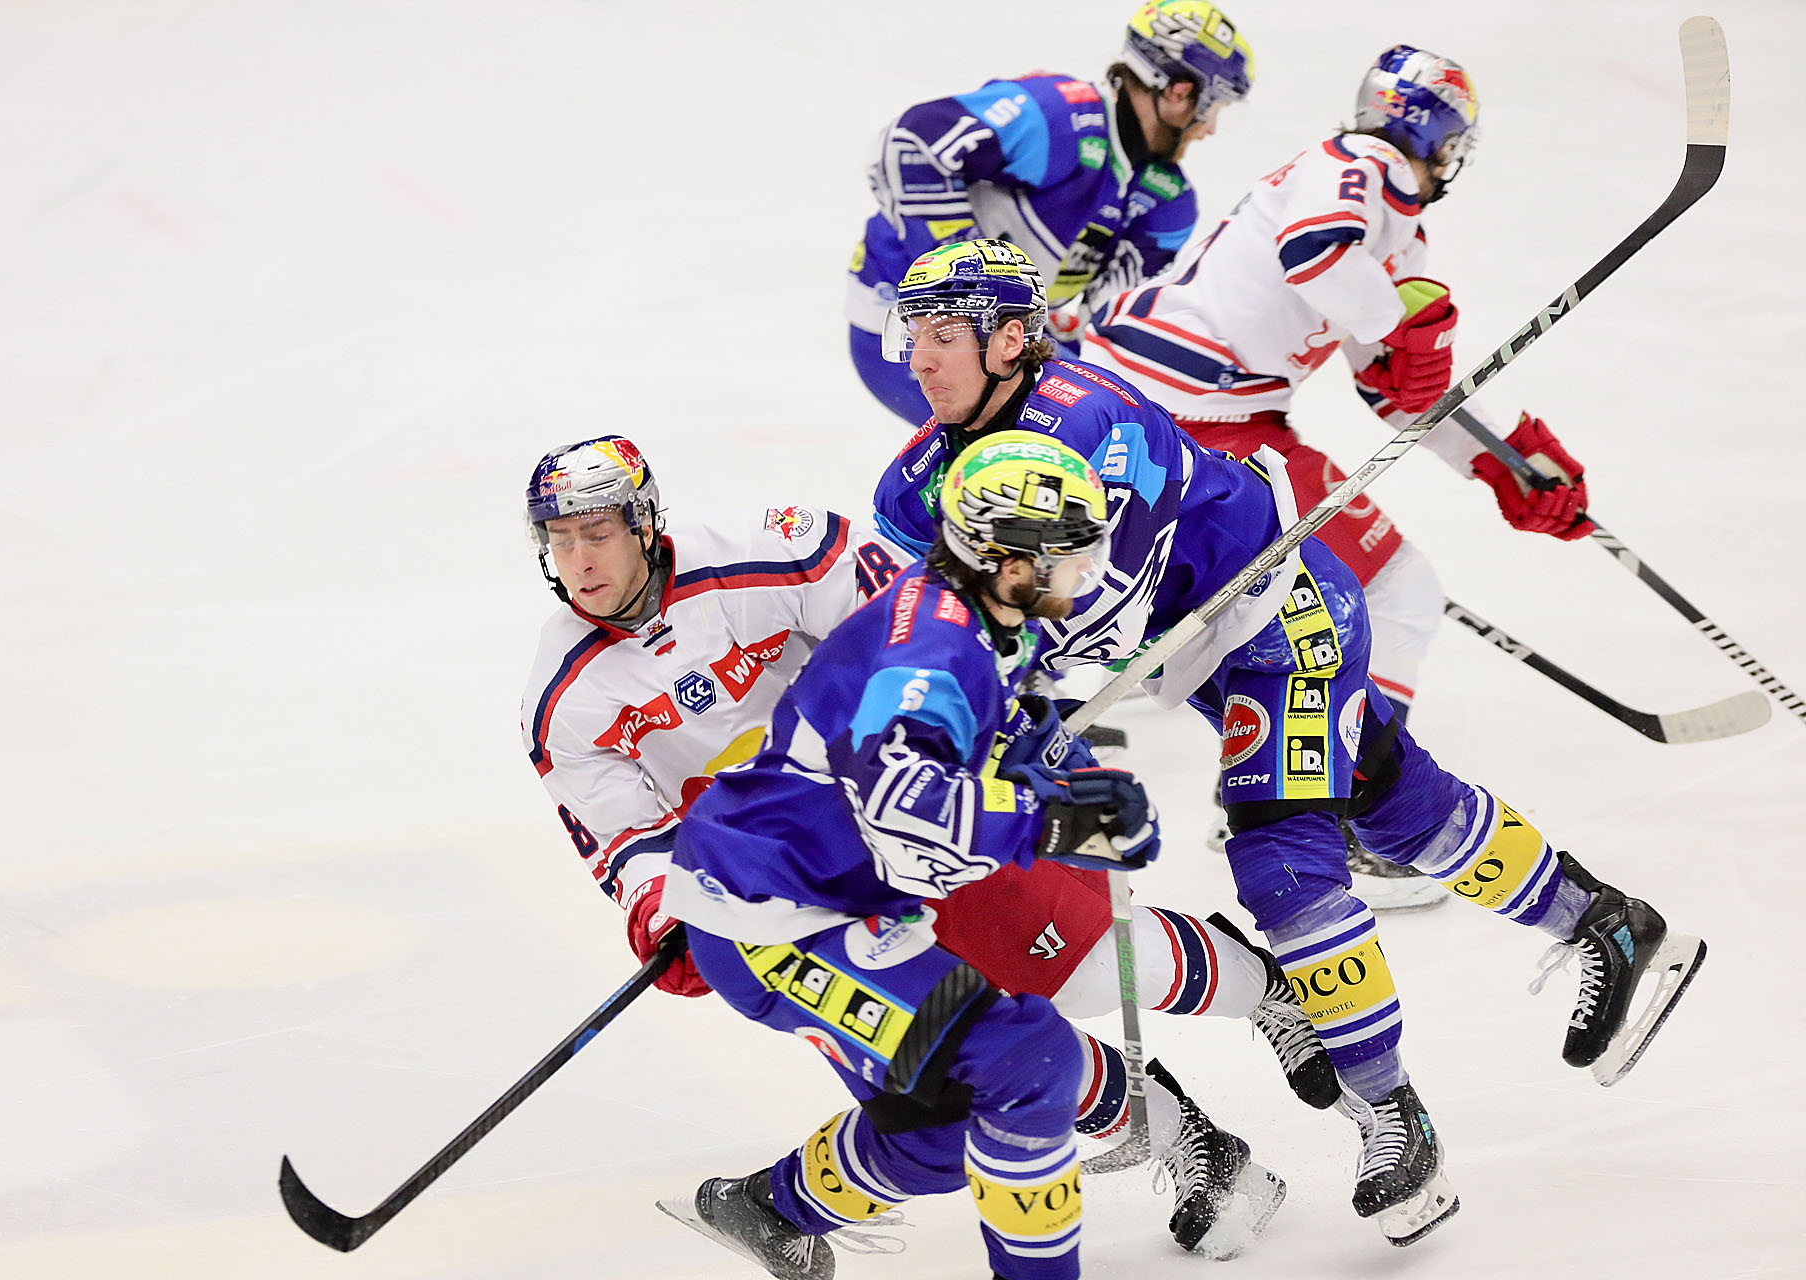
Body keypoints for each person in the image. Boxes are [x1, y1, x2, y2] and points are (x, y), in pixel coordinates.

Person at [870, 237, 1706, 1246]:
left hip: (1272, 611)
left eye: (945, 333)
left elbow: (1100, 612)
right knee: (1394, 799)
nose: (920, 356)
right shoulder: (913, 481)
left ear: (1011, 338)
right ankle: (1606, 922)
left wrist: (1018, 706)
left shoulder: (1087, 419)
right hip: (1197, 656)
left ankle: (1392, 1116)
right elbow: (935, 614)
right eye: (914, 332)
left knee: (1281, 856)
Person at [520, 433, 1311, 1260]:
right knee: (971, 1073)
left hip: (909, 818)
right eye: (560, 538)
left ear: (644, 524)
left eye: (597, 532)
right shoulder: (562, 697)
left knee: (1074, 975)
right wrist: (663, 907)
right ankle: (1190, 1141)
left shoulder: (773, 550)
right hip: (811, 883)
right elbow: (627, 835)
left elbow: (909, 630)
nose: (580, 559)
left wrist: (998, 727)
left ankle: (1262, 995)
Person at [1080, 45, 1594, 905]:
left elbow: (1401, 395)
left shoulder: (1395, 229)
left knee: (1291, 612)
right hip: (1190, 418)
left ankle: (1280, 792)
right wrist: (1399, 324)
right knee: (1391, 591)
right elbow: (1315, 257)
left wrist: (1507, 461)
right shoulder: (1358, 165)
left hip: (1183, 410)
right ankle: (1349, 818)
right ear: (1437, 138)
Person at [848, 0, 1252, 424]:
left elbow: (1111, 327)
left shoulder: (1168, 201)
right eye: (1214, 104)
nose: (1210, 128)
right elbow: (911, 146)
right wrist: (967, 280)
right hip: (900, 326)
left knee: (1118, 422)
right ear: (1178, 90)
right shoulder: (1059, 115)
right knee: (1033, 446)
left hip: (1003, 341)